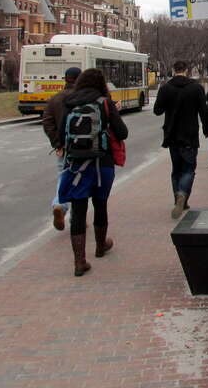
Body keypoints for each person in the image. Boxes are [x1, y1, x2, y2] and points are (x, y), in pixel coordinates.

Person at [57, 68, 127, 277]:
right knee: (100, 204)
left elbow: (61, 136)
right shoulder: (104, 102)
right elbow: (122, 132)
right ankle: (100, 246)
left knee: (78, 210)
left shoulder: (69, 103)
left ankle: (79, 261)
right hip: (102, 163)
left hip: (76, 165)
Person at [153, 60, 208, 219]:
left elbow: (157, 110)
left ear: (173, 70)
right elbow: (204, 112)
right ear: (186, 71)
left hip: (172, 135)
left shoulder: (165, 88)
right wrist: (207, 129)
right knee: (189, 169)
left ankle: (178, 199)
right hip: (190, 135)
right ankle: (183, 194)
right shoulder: (196, 88)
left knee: (176, 169)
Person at [42, 66, 81, 231]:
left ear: (66, 79)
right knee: (81, 181)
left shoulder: (55, 99)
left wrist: (57, 143)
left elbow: (47, 121)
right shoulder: (83, 98)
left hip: (63, 147)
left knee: (63, 177)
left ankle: (60, 204)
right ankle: (76, 217)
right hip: (82, 147)